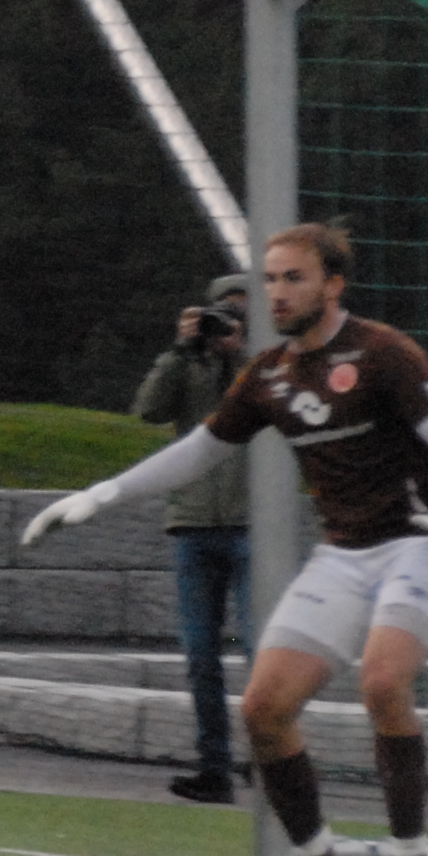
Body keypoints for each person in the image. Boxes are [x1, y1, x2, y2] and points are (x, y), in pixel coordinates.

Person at [25, 223, 428, 856]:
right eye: (270, 279)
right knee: (263, 707)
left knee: (384, 683)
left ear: (333, 285)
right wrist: (101, 495)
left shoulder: (384, 352)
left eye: (294, 278)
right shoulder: (268, 375)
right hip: (344, 554)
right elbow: (199, 451)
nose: (277, 293)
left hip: (420, 544)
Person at [133, 272, 255, 803]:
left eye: (242, 313)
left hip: (255, 525)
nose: (230, 322)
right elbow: (149, 410)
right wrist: (181, 351)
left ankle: (269, 760)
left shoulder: (270, 364)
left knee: (262, 653)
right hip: (194, 524)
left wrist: (242, 353)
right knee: (200, 656)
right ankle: (214, 768)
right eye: (224, 312)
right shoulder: (190, 365)